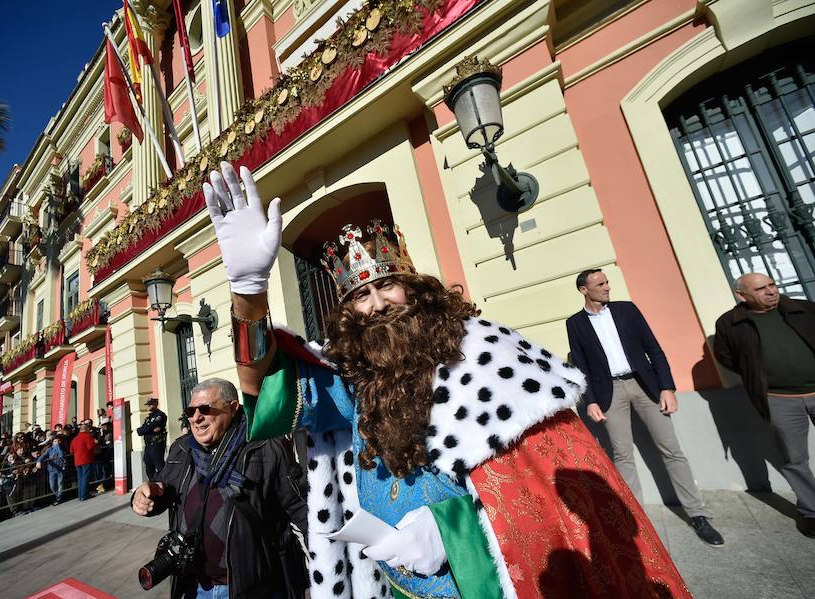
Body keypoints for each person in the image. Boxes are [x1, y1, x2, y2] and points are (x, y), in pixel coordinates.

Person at [201, 163, 691, 598]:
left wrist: (449, 533)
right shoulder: (357, 378)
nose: (375, 306)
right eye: (360, 296)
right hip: (397, 584)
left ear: (414, 288)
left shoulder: (486, 358)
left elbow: (539, 502)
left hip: (486, 583)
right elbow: (263, 394)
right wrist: (248, 294)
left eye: (386, 285)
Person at [565, 269, 724, 547]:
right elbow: (580, 365)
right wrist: (589, 400)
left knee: (671, 449)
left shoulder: (627, 310)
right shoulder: (575, 323)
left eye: (607, 282)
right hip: (609, 393)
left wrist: (667, 387)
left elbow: (654, 348)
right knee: (622, 455)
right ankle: (635, 520)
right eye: (600, 284)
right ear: (584, 290)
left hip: (644, 386)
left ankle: (697, 515)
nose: (607, 287)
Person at [132, 379, 308, 599]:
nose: (196, 418)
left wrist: (328, 569)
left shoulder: (265, 447)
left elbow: (301, 509)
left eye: (205, 409)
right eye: (191, 411)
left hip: (252, 587)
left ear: (233, 408)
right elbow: (163, 487)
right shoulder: (181, 448)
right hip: (194, 585)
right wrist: (145, 496)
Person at [713, 272, 815, 538]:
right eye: (761, 288)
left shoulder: (802, 308)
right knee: (794, 458)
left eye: (772, 285)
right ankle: (811, 511)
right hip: (779, 400)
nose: (771, 291)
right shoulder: (729, 323)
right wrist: (758, 375)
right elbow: (726, 357)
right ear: (742, 295)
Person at [137, 397, 167, 480]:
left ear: (155, 404)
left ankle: (165, 483)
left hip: (156, 444)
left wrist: (147, 429)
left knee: (159, 465)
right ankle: (153, 482)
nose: (148, 407)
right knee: (148, 464)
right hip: (148, 445)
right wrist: (149, 429)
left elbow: (147, 428)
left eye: (150, 404)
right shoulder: (148, 418)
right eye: (148, 405)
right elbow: (140, 431)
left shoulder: (160, 415)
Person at [36, 436, 66, 505]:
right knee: (52, 486)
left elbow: (61, 455)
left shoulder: (61, 448)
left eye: (58, 441)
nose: (57, 443)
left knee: (60, 484)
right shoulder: (49, 449)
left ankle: (59, 498)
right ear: (52, 442)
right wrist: (38, 461)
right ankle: (58, 496)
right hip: (52, 470)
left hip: (60, 469)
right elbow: (43, 456)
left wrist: (57, 447)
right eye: (55, 441)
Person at [71, 421, 97, 501]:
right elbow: (90, 447)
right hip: (86, 459)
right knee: (86, 477)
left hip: (77, 461)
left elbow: (71, 451)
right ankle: (84, 495)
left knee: (80, 478)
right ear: (86, 429)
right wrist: (95, 443)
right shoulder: (88, 436)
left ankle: (80, 495)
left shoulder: (74, 439)